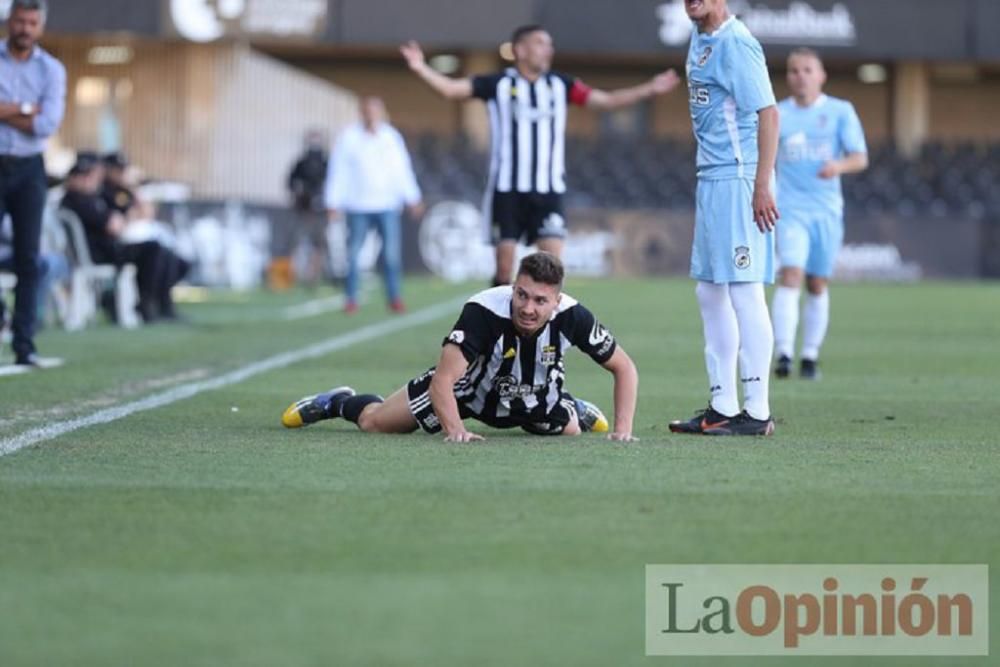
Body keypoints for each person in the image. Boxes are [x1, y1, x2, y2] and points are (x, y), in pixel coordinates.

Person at [400, 26, 680, 286]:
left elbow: (605, 101)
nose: (548, 49)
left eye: (549, 45)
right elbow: (451, 90)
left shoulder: (561, 85)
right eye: (540, 43)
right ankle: (499, 327)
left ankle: (547, 331)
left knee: (553, 264)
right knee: (504, 266)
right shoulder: (496, 84)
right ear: (520, 50)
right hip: (506, 190)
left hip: (548, 191)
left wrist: (649, 89)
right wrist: (420, 67)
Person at [282, 251, 639, 442]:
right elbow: (444, 381)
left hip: (534, 395)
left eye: (540, 301)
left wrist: (624, 431)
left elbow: (624, 367)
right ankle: (338, 401)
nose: (528, 308)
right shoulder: (483, 312)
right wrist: (456, 431)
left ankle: (570, 406)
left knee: (570, 431)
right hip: (467, 393)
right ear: (513, 287)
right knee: (376, 423)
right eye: (522, 295)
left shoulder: (574, 316)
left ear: (557, 301)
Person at [667, 0, 779, 436]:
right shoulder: (698, 37)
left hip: (739, 176)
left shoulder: (737, 42)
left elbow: (768, 113)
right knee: (709, 291)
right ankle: (723, 406)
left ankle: (757, 410)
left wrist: (762, 184)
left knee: (744, 291)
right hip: (711, 177)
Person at [771, 48, 868, 380]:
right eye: (795, 70)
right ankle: (783, 353)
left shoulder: (841, 112)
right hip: (790, 211)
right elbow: (765, 160)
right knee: (791, 276)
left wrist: (837, 165)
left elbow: (860, 157)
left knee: (816, 283)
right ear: (788, 76)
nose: (801, 76)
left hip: (826, 212)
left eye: (807, 70)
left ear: (821, 75)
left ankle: (809, 357)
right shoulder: (777, 114)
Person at [0, 0, 66, 367]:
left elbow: (47, 125)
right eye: (20, 21)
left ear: (39, 26)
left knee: (28, 258)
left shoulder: (52, 70)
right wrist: (26, 108)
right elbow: (35, 117)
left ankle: (24, 346)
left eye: (32, 22)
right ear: (10, 21)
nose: (25, 27)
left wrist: (6, 110)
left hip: (29, 170)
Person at [324, 97, 423, 314]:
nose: (371, 115)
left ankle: (394, 297)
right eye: (367, 111)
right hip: (357, 205)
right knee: (353, 254)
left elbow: (402, 169)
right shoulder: (349, 137)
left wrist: (412, 196)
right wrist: (333, 201)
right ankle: (350, 298)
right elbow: (338, 172)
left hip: (387, 204)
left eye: (375, 111)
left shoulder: (390, 137)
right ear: (362, 113)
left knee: (390, 255)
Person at [60, 153, 184, 322]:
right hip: (99, 253)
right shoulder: (79, 199)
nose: (94, 180)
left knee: (162, 253)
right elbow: (114, 227)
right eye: (90, 176)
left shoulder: (91, 197)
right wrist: (126, 219)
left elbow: (131, 217)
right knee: (153, 250)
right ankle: (146, 304)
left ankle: (160, 304)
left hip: (106, 248)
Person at [286, 130, 329, 287]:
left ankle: (313, 276)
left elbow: (334, 183)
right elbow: (290, 183)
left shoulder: (326, 162)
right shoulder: (301, 163)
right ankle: (290, 275)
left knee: (319, 244)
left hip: (321, 211)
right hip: (303, 210)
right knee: (295, 241)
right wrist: (300, 193)